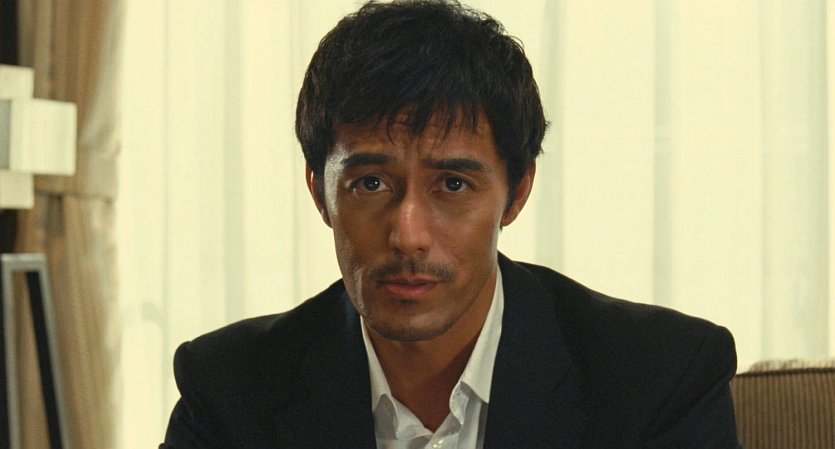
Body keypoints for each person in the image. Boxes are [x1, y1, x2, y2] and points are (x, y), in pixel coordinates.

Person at [161, 1, 741, 448]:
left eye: (453, 185)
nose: (408, 235)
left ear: (517, 193)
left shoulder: (658, 378)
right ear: (320, 192)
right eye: (371, 183)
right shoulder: (229, 390)